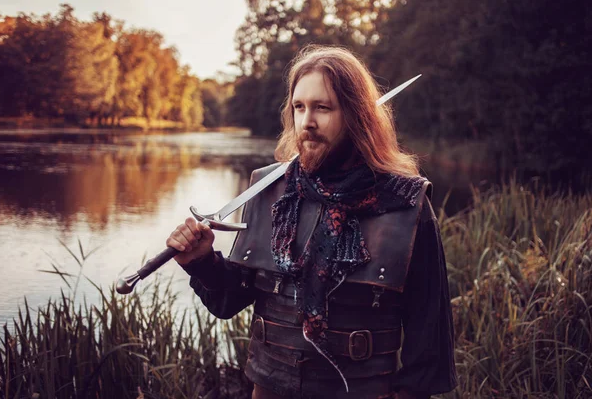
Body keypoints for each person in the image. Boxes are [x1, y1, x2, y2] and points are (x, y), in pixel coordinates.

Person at [166, 45, 457, 399]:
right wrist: (201, 261)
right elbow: (230, 300)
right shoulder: (269, 190)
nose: (307, 122)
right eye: (299, 107)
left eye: (322, 107)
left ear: (355, 116)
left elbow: (429, 335)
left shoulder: (404, 203)